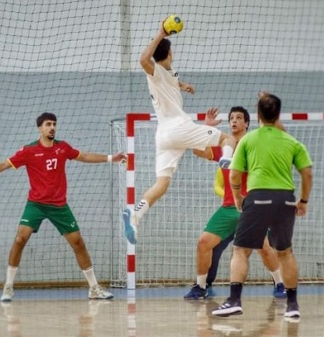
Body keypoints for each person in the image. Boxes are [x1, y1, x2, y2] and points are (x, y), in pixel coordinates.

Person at [0, 112, 125, 302]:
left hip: (59, 205)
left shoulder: (62, 147)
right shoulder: (29, 151)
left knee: (78, 243)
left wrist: (111, 158)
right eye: (48, 124)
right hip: (36, 204)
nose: (52, 127)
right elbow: (5, 164)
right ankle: (8, 287)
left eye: (54, 124)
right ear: (40, 128)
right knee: (20, 239)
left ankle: (94, 288)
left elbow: (83, 156)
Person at [122, 19, 237, 245]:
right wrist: (160, 33)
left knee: (161, 184)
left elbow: (172, 80)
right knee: (228, 138)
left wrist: (183, 85)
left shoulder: (169, 72)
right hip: (178, 127)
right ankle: (226, 161)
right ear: (170, 53)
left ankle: (135, 215)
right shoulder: (155, 71)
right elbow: (143, 60)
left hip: (164, 136)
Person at [212, 93, 313, 320]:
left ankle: (234, 300)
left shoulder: (248, 139)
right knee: (285, 252)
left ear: (256, 117)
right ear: (278, 115)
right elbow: (306, 173)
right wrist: (303, 201)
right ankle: (293, 305)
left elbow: (235, 175)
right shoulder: (291, 141)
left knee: (240, 251)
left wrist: (238, 198)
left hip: (257, 198)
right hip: (286, 199)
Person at [183, 107, 286, 300]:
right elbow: (197, 151)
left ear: (247, 123)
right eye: (231, 118)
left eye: (239, 118)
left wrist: (267, 108)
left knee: (263, 246)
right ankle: (201, 287)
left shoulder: (255, 143)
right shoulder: (225, 146)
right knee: (204, 243)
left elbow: (280, 134)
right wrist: (206, 128)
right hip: (228, 207)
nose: (234, 121)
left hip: (251, 206)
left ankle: (280, 284)